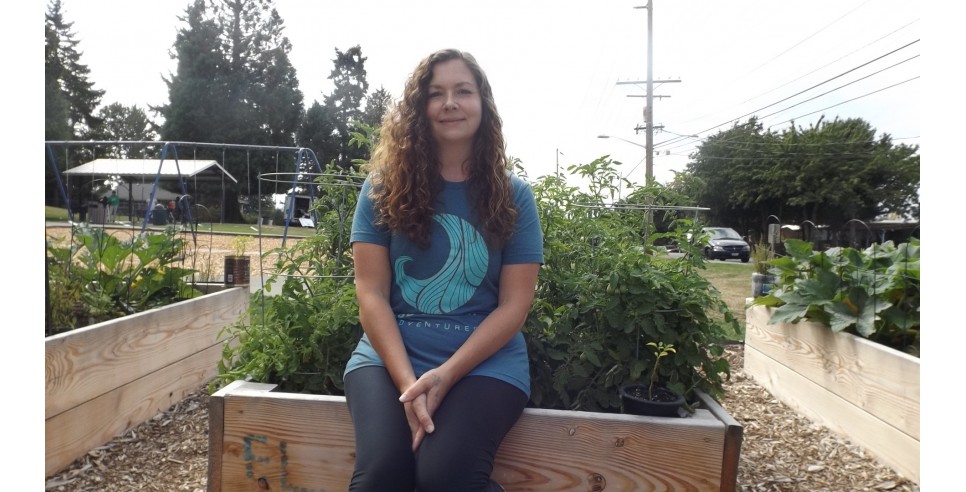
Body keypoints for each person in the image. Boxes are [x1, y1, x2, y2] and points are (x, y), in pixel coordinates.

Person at [344, 48, 543, 492]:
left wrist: (447, 373)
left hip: (484, 362)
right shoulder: (381, 190)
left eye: (463, 91)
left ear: (483, 105)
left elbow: (515, 305)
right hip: (389, 357)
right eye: (436, 94)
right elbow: (370, 294)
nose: (450, 102)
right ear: (420, 109)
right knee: (381, 475)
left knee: (444, 478)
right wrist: (410, 385)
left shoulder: (515, 197)